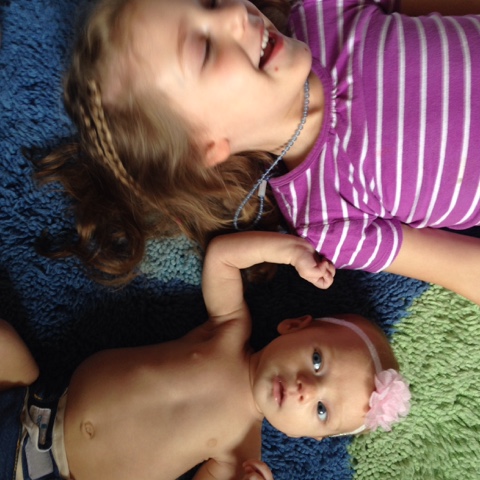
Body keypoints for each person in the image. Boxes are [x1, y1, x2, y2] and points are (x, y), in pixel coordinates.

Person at [36, 0, 480, 304]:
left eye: (210, 2)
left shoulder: (324, 11)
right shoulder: (327, 222)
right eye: (203, 49)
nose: (234, 11)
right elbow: (463, 268)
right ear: (207, 146)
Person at [1, 232, 410, 480]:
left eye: (321, 411)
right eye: (317, 361)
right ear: (293, 326)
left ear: (311, 437)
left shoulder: (241, 453)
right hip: (32, 403)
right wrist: (290, 252)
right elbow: (222, 258)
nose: (307, 388)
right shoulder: (230, 332)